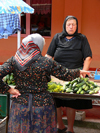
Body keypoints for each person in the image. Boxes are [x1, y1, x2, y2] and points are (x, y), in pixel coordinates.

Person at [0, 33, 90, 133]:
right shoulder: (46, 62)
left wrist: (9, 89)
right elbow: (65, 74)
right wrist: (78, 72)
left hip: (21, 106)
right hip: (43, 107)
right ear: (38, 46)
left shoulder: (14, 61)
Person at [45, 15, 92, 133]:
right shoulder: (57, 37)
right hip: (57, 74)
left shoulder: (82, 38)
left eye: (74, 24)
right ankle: (60, 126)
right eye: (69, 24)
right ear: (65, 26)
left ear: (77, 26)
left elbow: (88, 57)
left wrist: (84, 73)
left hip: (75, 74)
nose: (71, 27)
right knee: (56, 102)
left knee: (71, 102)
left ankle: (70, 129)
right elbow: (49, 56)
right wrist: (43, 69)